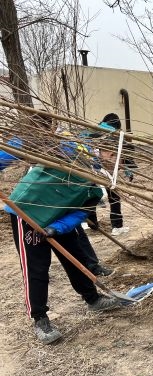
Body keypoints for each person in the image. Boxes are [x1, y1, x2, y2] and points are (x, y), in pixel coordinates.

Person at [1, 114, 122, 345]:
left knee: (76, 255)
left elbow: (78, 214)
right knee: (37, 267)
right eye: (111, 153)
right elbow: (26, 143)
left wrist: (55, 229)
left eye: (116, 156)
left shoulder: (95, 188)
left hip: (57, 218)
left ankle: (92, 299)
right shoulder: (70, 150)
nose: (113, 158)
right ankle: (40, 318)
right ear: (100, 150)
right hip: (27, 211)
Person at [80, 113, 131, 236]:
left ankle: (91, 224)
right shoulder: (116, 135)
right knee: (114, 196)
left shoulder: (89, 130)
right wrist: (129, 172)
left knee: (90, 194)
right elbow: (125, 156)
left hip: (86, 167)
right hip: (106, 169)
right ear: (117, 125)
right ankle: (117, 226)